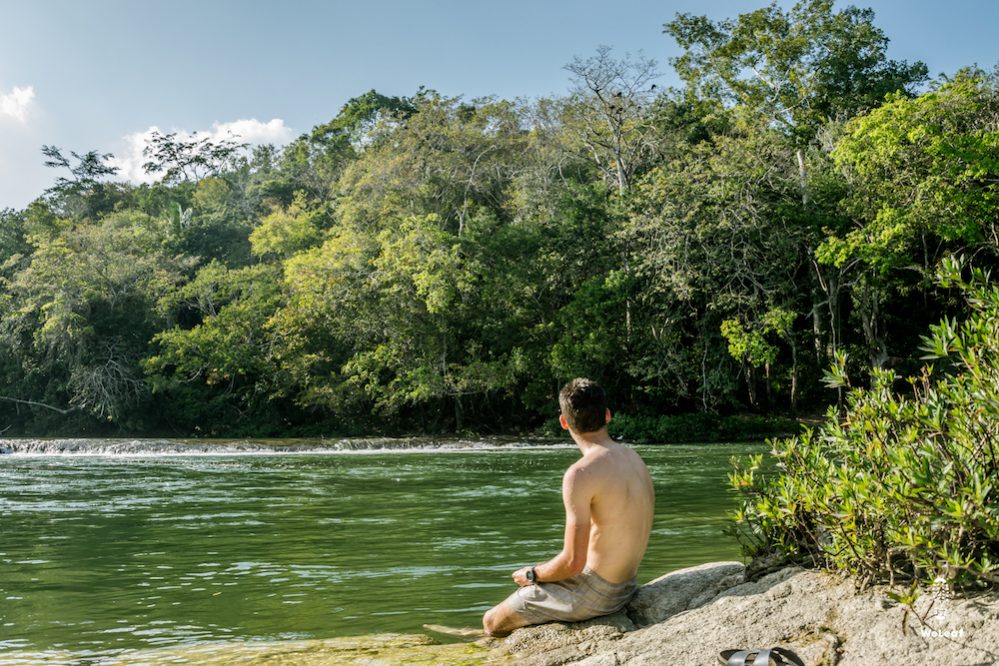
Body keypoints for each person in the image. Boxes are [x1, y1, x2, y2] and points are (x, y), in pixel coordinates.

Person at [482, 378, 655, 637]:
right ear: (607, 415)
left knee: (491, 622)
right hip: (627, 584)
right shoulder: (633, 457)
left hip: (597, 595)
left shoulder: (580, 474)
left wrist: (531, 574)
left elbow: (574, 563)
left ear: (564, 422)